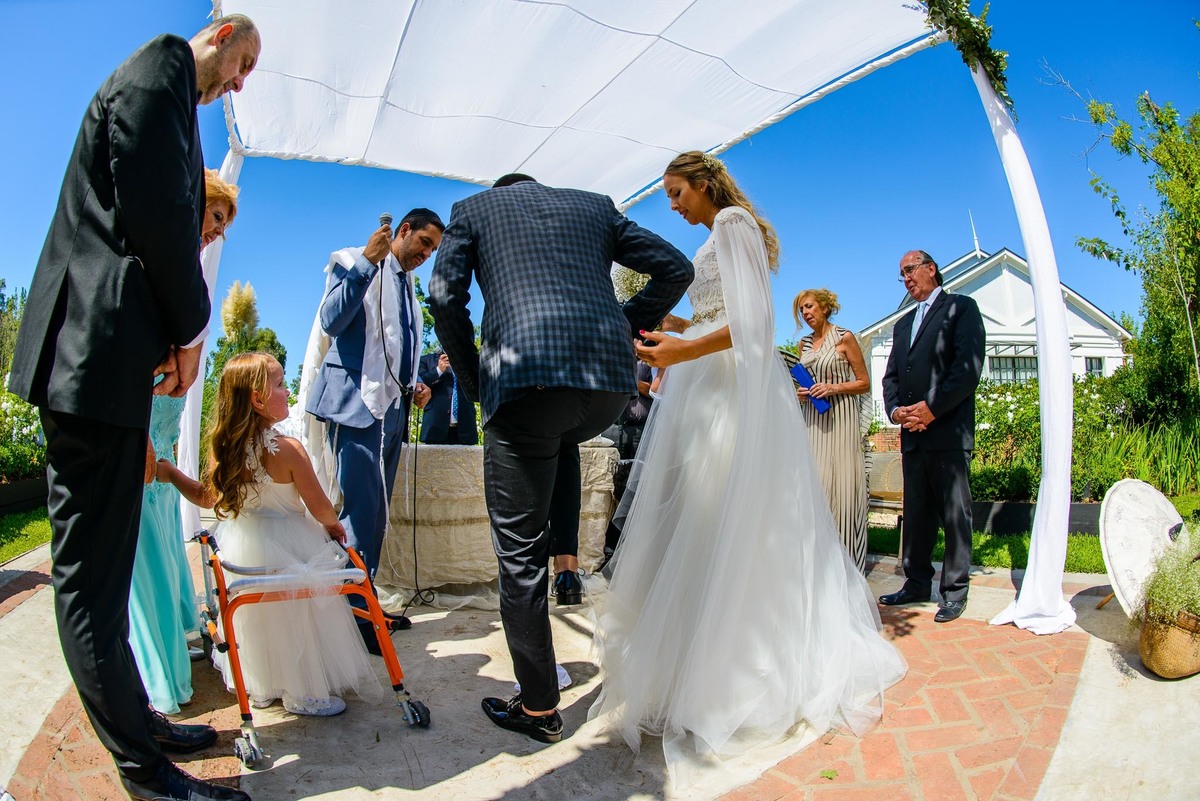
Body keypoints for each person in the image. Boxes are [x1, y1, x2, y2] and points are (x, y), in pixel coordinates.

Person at [589, 152, 906, 782]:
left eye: (676, 193)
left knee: (723, 514)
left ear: (704, 186)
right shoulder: (715, 235)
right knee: (697, 520)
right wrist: (669, 328)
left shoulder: (734, 224)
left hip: (727, 390)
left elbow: (754, 322)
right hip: (705, 381)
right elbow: (717, 315)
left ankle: (735, 667)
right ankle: (693, 659)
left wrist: (685, 348)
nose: (672, 205)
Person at [7, 15, 260, 801]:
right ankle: (142, 771)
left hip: (108, 369)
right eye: (242, 61)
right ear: (217, 34)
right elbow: (154, 213)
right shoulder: (159, 68)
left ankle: (138, 720)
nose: (240, 82)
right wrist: (190, 330)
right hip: (89, 366)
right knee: (89, 580)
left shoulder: (174, 99)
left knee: (109, 574)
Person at [428, 172, 693, 744]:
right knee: (560, 444)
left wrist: (476, 382)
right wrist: (622, 322)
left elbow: (444, 296)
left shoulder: (474, 210)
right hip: (603, 390)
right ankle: (568, 563)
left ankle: (541, 708)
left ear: (500, 193)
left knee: (520, 555)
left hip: (524, 385)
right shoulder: (595, 205)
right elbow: (677, 267)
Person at [159, 353, 383, 716]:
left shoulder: (223, 450)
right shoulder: (289, 451)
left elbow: (208, 496)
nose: (288, 390)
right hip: (293, 544)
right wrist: (333, 525)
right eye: (280, 384)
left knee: (257, 618)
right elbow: (319, 505)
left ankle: (260, 684)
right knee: (300, 612)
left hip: (243, 547)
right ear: (257, 398)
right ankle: (303, 689)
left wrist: (171, 474)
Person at [129, 170, 240, 714]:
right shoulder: (148, 264)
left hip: (162, 446)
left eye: (223, 226)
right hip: (141, 434)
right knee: (143, 564)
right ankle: (155, 681)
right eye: (216, 217)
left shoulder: (182, 278)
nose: (216, 232)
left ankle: (177, 650)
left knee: (164, 554)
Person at [305, 209, 442, 645]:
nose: (426, 254)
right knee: (358, 513)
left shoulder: (407, 287)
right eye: (423, 242)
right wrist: (367, 261)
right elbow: (331, 321)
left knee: (377, 515)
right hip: (356, 407)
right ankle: (354, 619)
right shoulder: (352, 261)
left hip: (395, 411)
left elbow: (394, 348)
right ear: (403, 230)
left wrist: (416, 384)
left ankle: (364, 604)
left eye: (433, 249)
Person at [879, 250, 985, 624]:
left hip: (947, 431)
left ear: (930, 269)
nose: (906, 278)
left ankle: (954, 591)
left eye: (910, 270)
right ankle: (916, 582)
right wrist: (896, 412)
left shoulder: (961, 308)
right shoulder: (902, 324)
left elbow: (966, 369)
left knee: (955, 514)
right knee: (918, 513)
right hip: (912, 435)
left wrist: (931, 409)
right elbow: (891, 377)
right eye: (901, 274)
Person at [793, 288, 871, 571]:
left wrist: (833, 388)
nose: (806, 313)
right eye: (802, 310)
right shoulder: (803, 344)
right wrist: (803, 392)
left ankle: (848, 560)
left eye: (810, 306)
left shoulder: (844, 337)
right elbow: (806, 379)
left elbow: (864, 382)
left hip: (841, 419)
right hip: (813, 418)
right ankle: (819, 559)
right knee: (817, 485)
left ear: (825, 307)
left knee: (842, 485)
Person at [417, 350, 478, 444]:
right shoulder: (426, 360)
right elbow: (419, 384)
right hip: (434, 428)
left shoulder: (470, 361)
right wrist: (438, 371)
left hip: (466, 429)